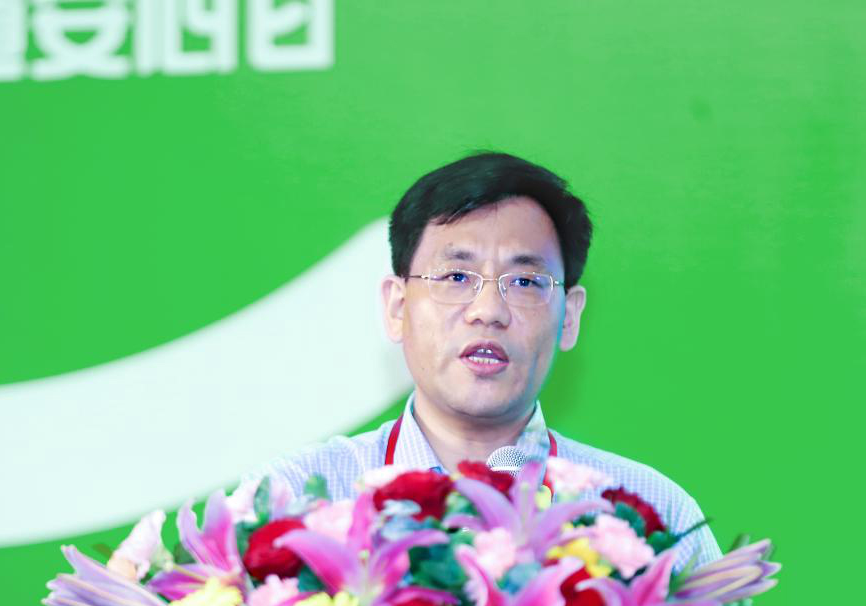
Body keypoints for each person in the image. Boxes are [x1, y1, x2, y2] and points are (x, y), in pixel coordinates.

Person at [249, 151, 720, 577]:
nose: (488, 311)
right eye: (456, 276)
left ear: (570, 316)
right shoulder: (296, 503)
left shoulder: (651, 519)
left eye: (525, 282)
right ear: (397, 306)